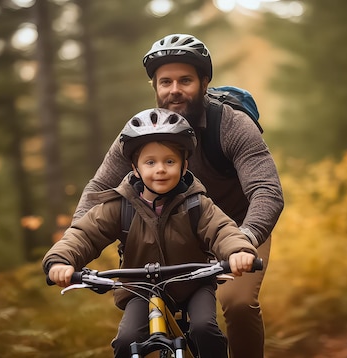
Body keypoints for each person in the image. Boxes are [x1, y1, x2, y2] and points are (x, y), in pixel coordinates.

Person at [72, 33, 284, 358]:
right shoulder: (142, 133)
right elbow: (99, 190)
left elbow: (266, 190)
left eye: (185, 80)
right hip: (172, 236)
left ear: (204, 81)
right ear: (155, 87)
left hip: (234, 229)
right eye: (165, 81)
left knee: (238, 303)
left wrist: (244, 240)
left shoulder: (231, 126)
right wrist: (72, 244)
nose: (175, 90)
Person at [43, 108, 259, 358]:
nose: (160, 169)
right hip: (140, 289)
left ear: (184, 165)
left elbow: (222, 230)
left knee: (204, 330)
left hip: (194, 284)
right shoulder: (120, 206)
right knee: (126, 341)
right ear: (135, 168)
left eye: (170, 161)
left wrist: (238, 251)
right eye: (150, 162)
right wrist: (61, 260)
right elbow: (84, 234)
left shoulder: (196, 204)